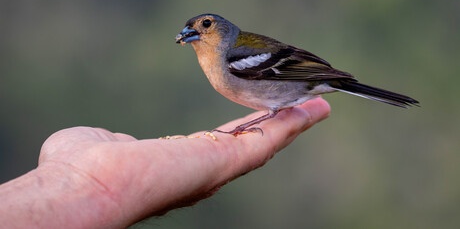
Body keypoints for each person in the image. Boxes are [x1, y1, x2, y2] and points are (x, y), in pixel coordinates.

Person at [0, 98, 330, 228]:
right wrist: (89, 184)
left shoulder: (233, 55)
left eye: (205, 25)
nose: (193, 33)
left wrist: (85, 184)